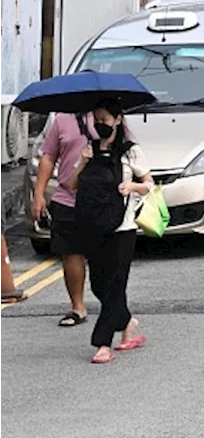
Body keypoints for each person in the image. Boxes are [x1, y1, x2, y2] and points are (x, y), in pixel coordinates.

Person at [63, 98, 151, 364]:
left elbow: (149, 183)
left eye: (104, 120)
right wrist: (81, 162)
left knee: (115, 285)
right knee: (100, 285)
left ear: (118, 120)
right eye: (96, 121)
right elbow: (71, 184)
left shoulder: (130, 151)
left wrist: (131, 187)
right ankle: (126, 322)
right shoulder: (89, 149)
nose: (100, 125)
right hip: (94, 226)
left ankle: (102, 343)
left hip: (123, 227)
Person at [31, 112, 130, 326]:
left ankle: (116, 309)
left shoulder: (106, 118)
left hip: (102, 201)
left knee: (104, 261)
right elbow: (48, 156)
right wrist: (38, 194)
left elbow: (127, 151)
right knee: (70, 252)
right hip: (68, 198)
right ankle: (77, 307)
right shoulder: (61, 121)